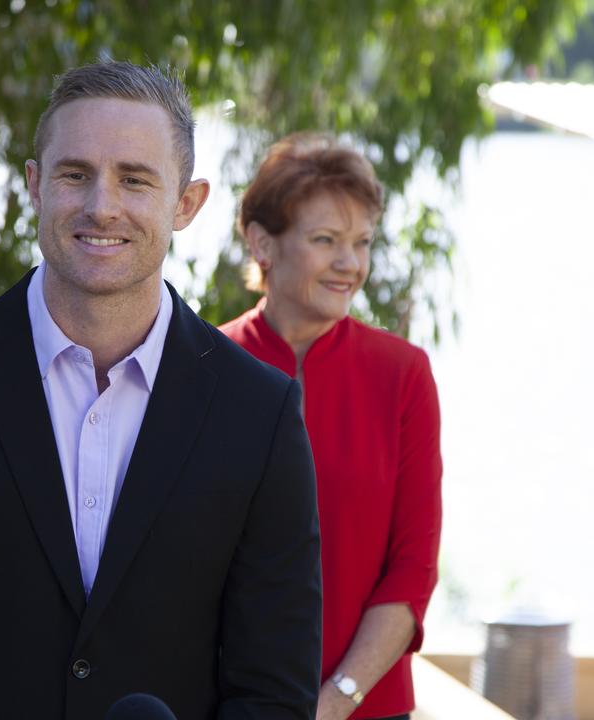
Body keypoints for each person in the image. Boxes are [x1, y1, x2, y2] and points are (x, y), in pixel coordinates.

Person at [0, 61, 323, 719]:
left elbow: (273, 693)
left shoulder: (260, 416)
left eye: (135, 179)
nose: (101, 206)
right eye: (74, 174)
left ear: (186, 204)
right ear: (35, 184)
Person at [219, 134, 442, 720]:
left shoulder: (404, 374)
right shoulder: (202, 368)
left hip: (368, 706)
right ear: (262, 242)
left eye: (362, 243)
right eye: (326, 241)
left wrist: (334, 702)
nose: (351, 264)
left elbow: (412, 570)